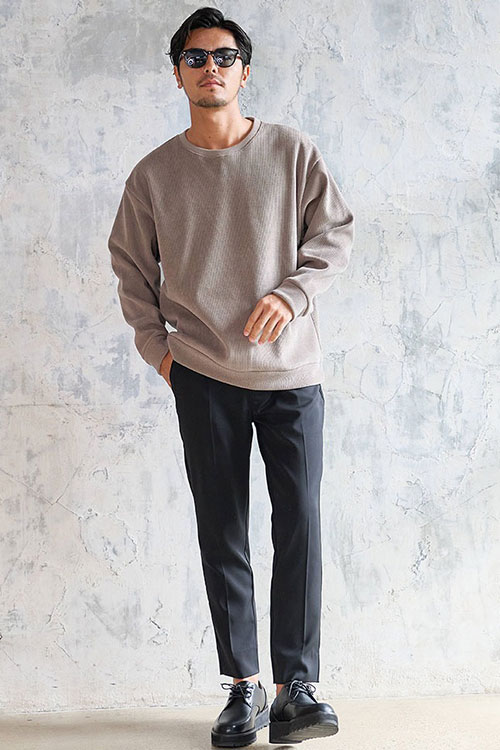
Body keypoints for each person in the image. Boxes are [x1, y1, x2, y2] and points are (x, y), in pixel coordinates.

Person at [108, 6, 354, 746]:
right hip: (203, 374)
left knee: (300, 525)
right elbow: (130, 269)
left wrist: (292, 294)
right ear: (177, 73)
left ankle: (296, 690)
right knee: (223, 532)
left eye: (223, 57)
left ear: (245, 72)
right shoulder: (154, 175)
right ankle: (243, 689)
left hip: (291, 376)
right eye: (195, 57)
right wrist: (161, 353)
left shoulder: (290, 151)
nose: (209, 68)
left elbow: (334, 233)